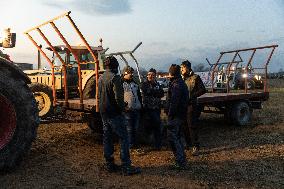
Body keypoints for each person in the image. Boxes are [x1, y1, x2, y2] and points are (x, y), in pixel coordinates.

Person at [98, 56, 141, 175]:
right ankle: (126, 166)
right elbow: (118, 98)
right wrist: (124, 107)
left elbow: (99, 95)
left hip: (104, 112)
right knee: (124, 137)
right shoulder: (115, 78)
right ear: (115, 66)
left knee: (107, 136)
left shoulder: (101, 77)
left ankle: (109, 164)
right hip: (114, 113)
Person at [180, 60, 206, 156]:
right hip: (182, 105)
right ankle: (188, 143)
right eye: (181, 68)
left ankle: (195, 146)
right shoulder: (181, 78)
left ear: (188, 68)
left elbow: (203, 90)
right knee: (184, 125)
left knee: (191, 125)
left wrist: (192, 96)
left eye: (183, 67)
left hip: (191, 105)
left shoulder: (195, 78)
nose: (181, 69)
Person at [166, 64, 189, 169]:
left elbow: (174, 102)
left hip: (175, 116)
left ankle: (180, 162)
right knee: (178, 137)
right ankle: (181, 159)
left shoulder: (176, 85)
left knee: (174, 138)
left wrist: (170, 115)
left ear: (172, 73)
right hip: (180, 115)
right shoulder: (180, 83)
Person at [141, 68, 164, 150]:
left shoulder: (157, 84)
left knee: (157, 126)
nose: (150, 76)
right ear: (147, 75)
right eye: (149, 74)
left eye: (153, 75)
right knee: (150, 126)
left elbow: (161, 93)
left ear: (155, 76)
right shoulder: (144, 84)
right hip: (148, 109)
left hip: (157, 108)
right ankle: (151, 144)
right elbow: (147, 91)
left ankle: (157, 144)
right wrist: (155, 92)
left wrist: (153, 91)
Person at [122, 66, 142, 149]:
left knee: (136, 128)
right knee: (129, 129)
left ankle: (135, 144)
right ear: (125, 73)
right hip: (127, 110)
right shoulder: (121, 84)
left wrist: (140, 105)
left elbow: (139, 95)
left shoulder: (135, 83)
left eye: (132, 72)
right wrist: (123, 106)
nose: (131, 74)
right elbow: (118, 97)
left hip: (136, 109)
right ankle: (130, 146)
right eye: (129, 72)